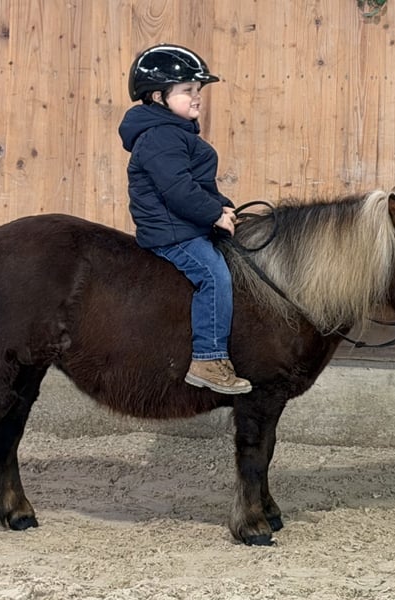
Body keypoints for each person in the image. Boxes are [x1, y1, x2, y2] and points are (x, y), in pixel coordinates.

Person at [118, 44, 252, 395]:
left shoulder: (174, 131)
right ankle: (208, 358)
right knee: (213, 275)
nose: (197, 97)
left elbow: (195, 184)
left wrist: (222, 206)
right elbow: (178, 190)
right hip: (172, 233)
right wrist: (213, 214)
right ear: (158, 96)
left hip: (185, 224)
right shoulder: (160, 136)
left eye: (198, 90)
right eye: (187, 90)